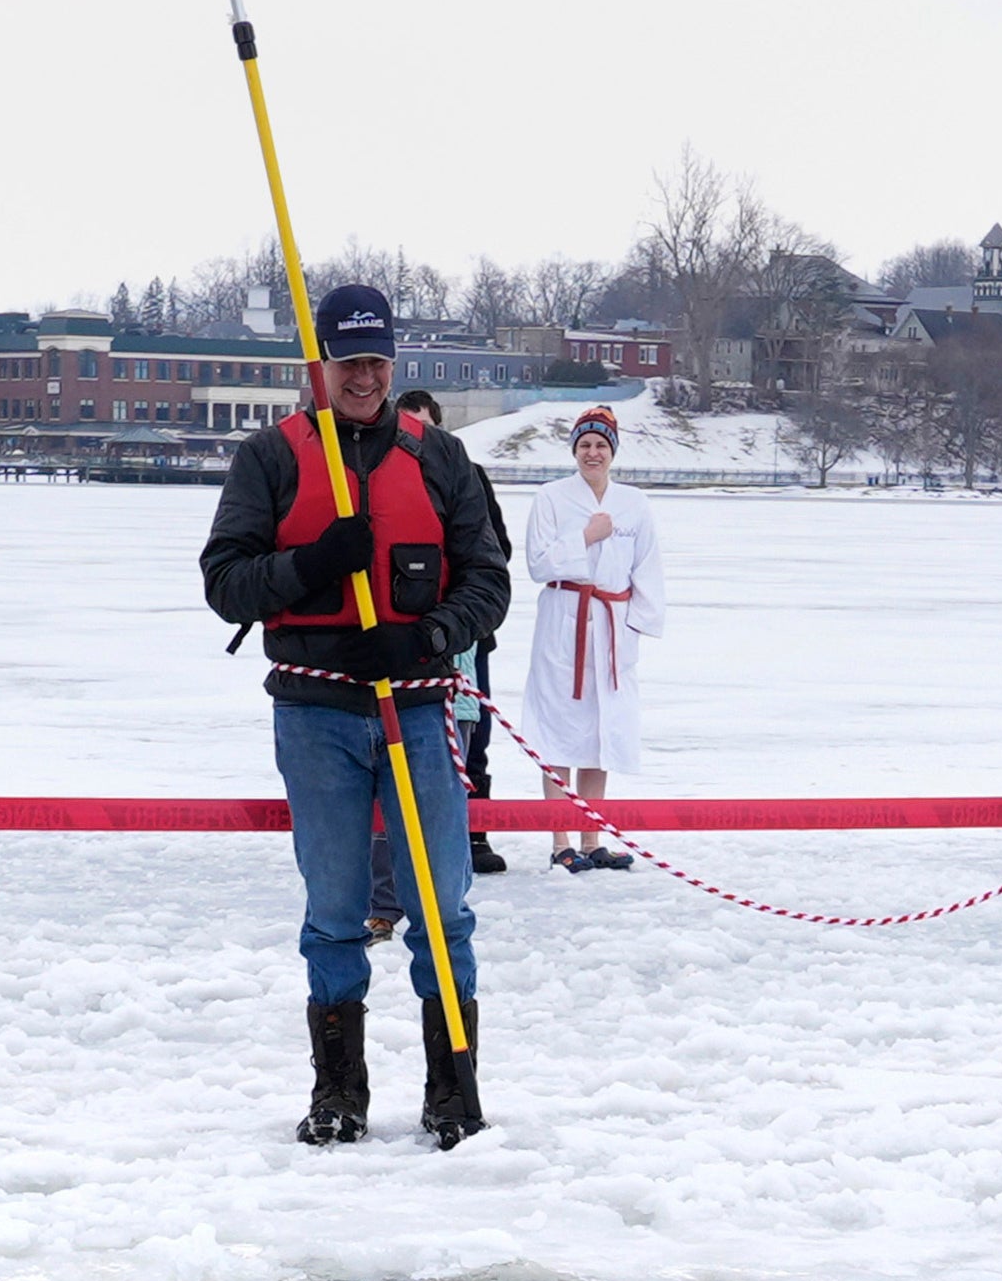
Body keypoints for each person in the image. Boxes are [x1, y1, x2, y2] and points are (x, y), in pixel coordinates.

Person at [198, 282, 509, 1148]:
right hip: (316, 715)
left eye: (376, 362)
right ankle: (338, 1092)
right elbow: (225, 583)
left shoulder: (441, 458)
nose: (364, 378)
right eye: (348, 363)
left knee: (441, 911)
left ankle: (453, 1090)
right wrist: (310, 565)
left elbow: (489, 581)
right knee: (335, 911)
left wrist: (428, 636)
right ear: (321, 365)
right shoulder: (271, 458)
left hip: (418, 711)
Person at [508, 401, 664, 864]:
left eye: (600, 445)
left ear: (613, 451)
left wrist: (636, 626)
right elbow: (539, 563)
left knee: (601, 732)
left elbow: (648, 567)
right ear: (574, 450)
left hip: (612, 627)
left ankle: (593, 840)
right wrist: (585, 538)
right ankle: (561, 843)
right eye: (585, 445)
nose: (592, 453)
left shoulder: (634, 503)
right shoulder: (551, 498)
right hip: (564, 621)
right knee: (557, 730)